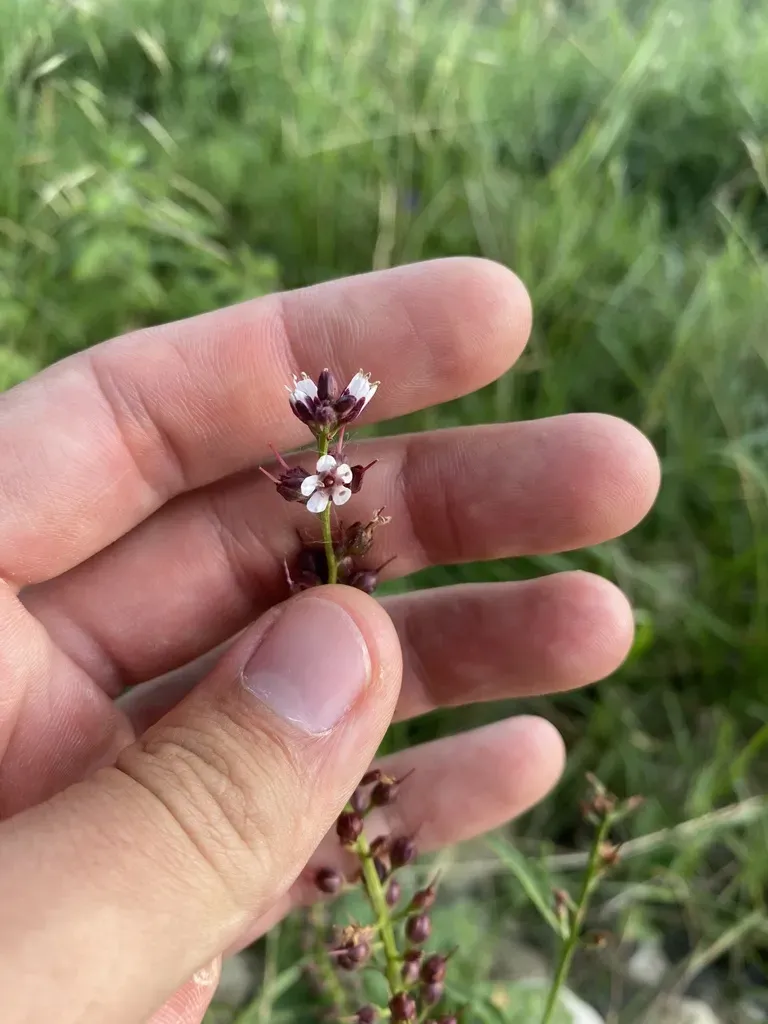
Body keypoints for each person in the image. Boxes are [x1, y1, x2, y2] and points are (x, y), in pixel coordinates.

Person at [0, 259, 660, 1023]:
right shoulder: (325, 481)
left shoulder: (333, 479)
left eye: (328, 481)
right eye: (320, 482)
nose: (325, 487)